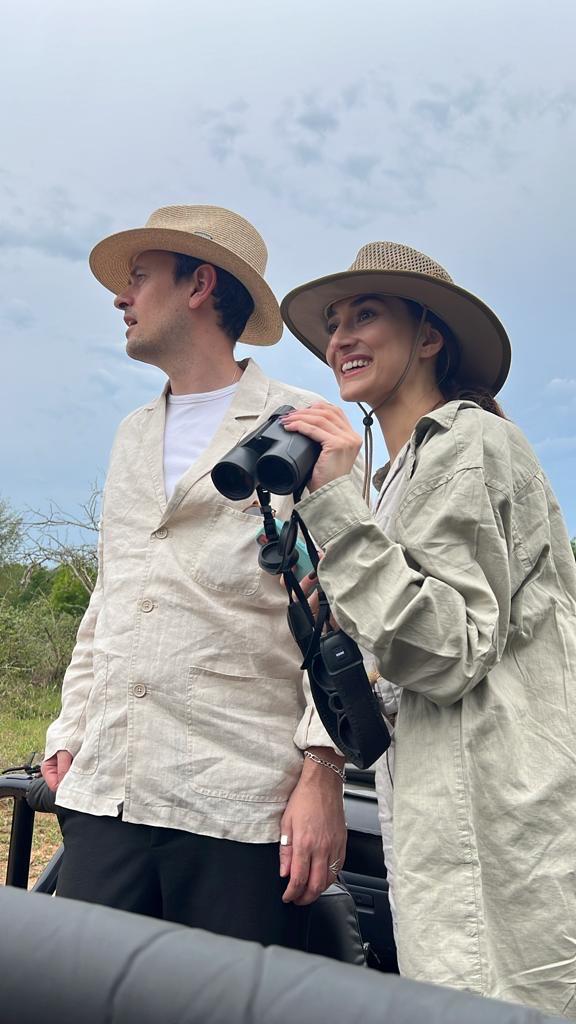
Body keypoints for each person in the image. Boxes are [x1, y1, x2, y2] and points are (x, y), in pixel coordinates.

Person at [279, 241, 576, 1016]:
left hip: (493, 828)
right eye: (334, 322)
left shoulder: (468, 443)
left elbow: (448, 652)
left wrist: (338, 518)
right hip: (453, 820)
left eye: (366, 314)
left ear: (430, 336)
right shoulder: (399, 479)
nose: (340, 337)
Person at [41, 204, 348, 949]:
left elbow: (345, 612)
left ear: (199, 285)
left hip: (236, 802)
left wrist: (322, 773)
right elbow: (110, 597)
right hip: (108, 787)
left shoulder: (302, 427)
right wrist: (70, 727)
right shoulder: (132, 434)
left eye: (140, 277)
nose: (122, 297)